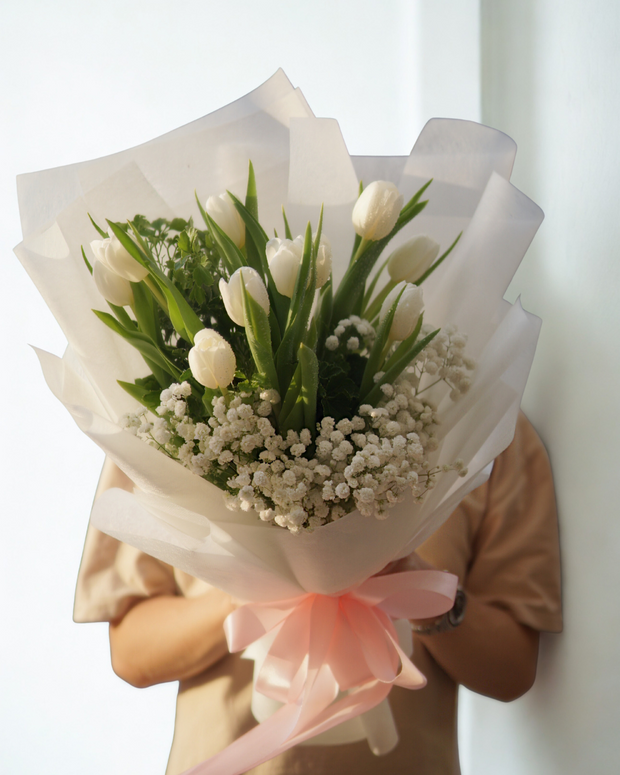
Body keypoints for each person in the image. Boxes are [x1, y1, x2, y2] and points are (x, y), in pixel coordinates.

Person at [74, 412, 562, 775]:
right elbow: (132, 653)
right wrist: (253, 579)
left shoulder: (486, 426)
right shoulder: (162, 422)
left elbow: (511, 671)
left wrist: (411, 583)